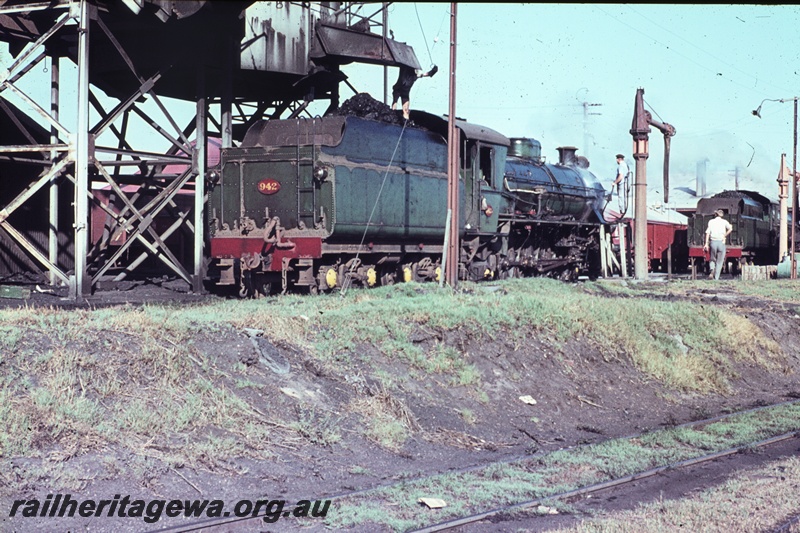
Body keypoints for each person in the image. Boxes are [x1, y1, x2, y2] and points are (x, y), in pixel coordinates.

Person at [703, 209, 733, 280]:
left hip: (713, 242)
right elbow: (731, 228)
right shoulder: (724, 222)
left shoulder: (711, 222)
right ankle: (716, 278)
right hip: (721, 242)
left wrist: (706, 244)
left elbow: (707, 233)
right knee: (720, 261)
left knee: (712, 259)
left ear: (715, 215)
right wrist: (725, 235)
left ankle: (712, 269)